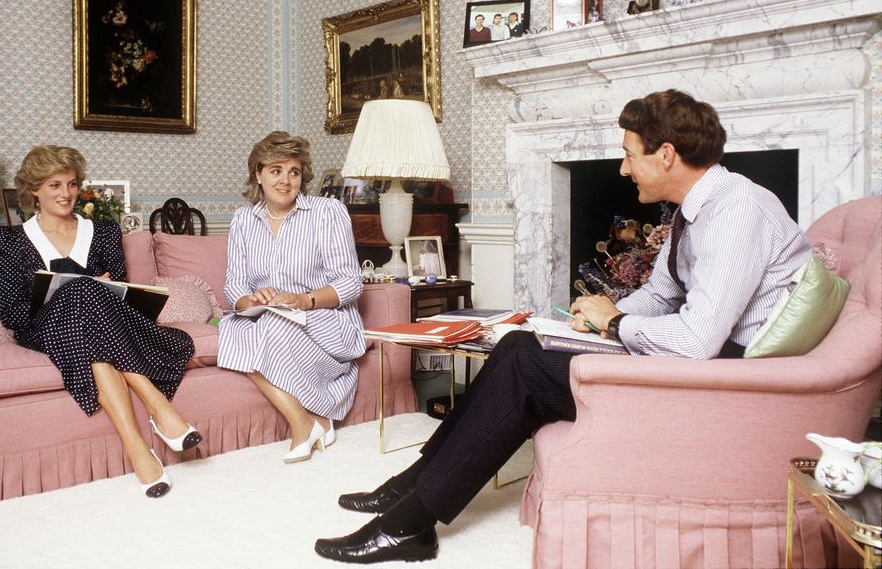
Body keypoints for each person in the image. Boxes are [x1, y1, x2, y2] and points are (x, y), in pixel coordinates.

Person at [314, 90, 811, 564]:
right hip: (701, 361)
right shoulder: (698, 207)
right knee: (516, 344)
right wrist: (595, 321)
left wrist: (616, 323)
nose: (622, 168)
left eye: (628, 154)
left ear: (664, 154)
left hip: (725, 383)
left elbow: (698, 341)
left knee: (527, 368)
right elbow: (662, 294)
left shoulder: (734, 212)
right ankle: (415, 483)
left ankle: (411, 525)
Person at [0, 145, 200, 499]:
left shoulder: (102, 231)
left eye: (71, 184)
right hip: (43, 328)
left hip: (98, 326)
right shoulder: (8, 240)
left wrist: (87, 288)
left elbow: (118, 292)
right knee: (82, 293)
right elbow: (11, 313)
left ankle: (136, 448)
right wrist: (65, 292)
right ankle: (159, 407)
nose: (66, 194)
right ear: (34, 190)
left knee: (89, 311)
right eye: (54, 185)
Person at [218, 131, 365, 464]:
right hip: (269, 315)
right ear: (258, 173)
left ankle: (309, 425)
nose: (285, 180)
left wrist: (304, 300)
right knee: (231, 328)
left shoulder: (327, 212)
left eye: (294, 172)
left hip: (323, 318)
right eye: (275, 170)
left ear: (302, 176)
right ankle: (305, 421)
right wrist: (250, 299)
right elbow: (234, 284)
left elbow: (350, 283)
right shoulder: (243, 219)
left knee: (270, 328)